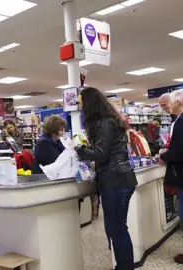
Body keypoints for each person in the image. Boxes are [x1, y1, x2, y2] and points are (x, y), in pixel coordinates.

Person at [75, 87, 138, 270]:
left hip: (115, 181)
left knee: (117, 230)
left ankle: (125, 267)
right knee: (116, 228)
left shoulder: (104, 123)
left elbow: (101, 154)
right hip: (120, 179)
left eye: (81, 104)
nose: (80, 107)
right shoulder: (110, 121)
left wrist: (80, 150)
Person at [158, 90, 183, 264]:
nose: (170, 105)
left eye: (171, 102)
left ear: (179, 102)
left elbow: (178, 151)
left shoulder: (181, 122)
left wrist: (163, 156)